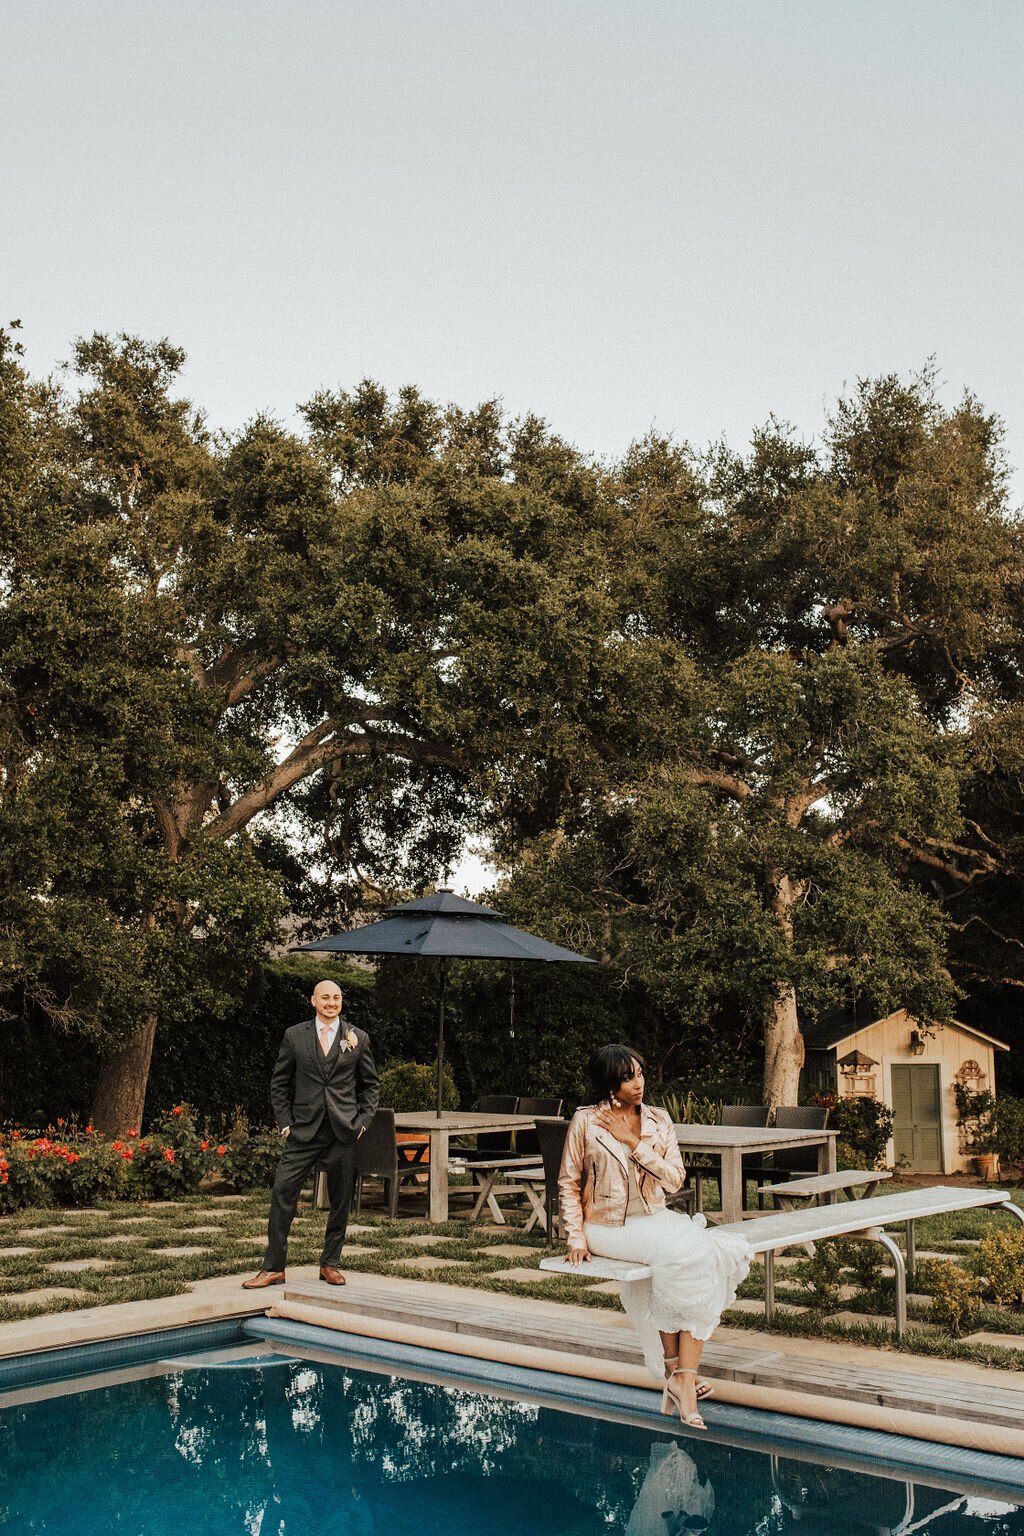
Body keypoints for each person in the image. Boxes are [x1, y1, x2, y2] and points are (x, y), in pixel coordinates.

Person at [559, 1044, 751, 1429]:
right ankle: (679, 1375)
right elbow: (568, 1183)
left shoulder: (659, 1120)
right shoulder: (585, 1121)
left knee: (707, 1253)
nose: (638, 1084)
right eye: (628, 1077)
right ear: (609, 1083)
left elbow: (675, 1178)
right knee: (684, 1256)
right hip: (606, 1227)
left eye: (640, 1074)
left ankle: (681, 1375)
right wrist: (575, 1237)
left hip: (653, 1215)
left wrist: (633, 1143)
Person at [243, 978, 379, 1289]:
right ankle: (274, 1267)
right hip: (303, 1131)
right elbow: (279, 1083)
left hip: (343, 1132)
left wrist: (361, 1123)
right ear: (313, 1001)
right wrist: (286, 1123)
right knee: (282, 1193)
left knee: (341, 1200)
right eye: (326, 998)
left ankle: (330, 1264)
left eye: (337, 997)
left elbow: (371, 1086)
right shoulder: (294, 1036)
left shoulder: (357, 1037)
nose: (332, 1003)